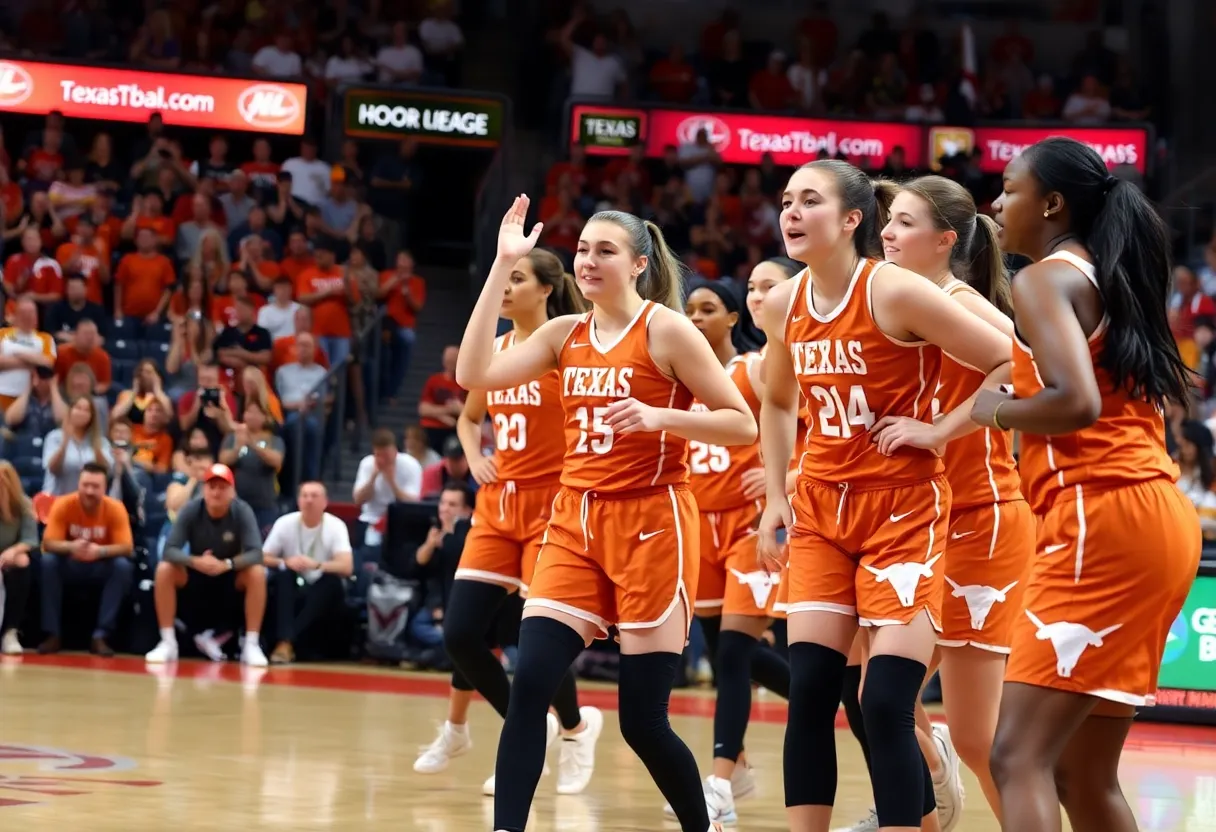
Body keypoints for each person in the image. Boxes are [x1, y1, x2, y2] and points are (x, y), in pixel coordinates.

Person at [457, 196, 757, 832]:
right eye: (582, 249)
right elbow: (473, 371)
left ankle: (703, 826)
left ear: (639, 264)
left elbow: (740, 422)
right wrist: (500, 266)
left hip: (652, 522)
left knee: (642, 722)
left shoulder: (667, 331)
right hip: (574, 523)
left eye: (605, 250)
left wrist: (662, 418)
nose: (587, 260)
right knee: (530, 684)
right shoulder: (563, 334)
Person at [755, 159, 1013, 832]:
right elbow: (778, 401)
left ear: (850, 219)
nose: (789, 211)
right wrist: (776, 497)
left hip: (902, 511)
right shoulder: (785, 303)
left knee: (887, 701)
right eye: (786, 200)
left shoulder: (894, 292)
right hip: (820, 512)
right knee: (811, 691)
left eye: (808, 200)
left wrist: (939, 430)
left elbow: (1009, 360)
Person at [975, 137, 1200, 832]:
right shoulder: (1107, 274)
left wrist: (999, 408)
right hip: (1152, 516)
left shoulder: (1044, 279)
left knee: (1015, 756)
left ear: (1051, 203)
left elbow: (1078, 401)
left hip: (1097, 520)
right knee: (1080, 771)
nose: (997, 203)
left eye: (1009, 190)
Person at [827, 175, 1035, 832]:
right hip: (917, 518)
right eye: (886, 222)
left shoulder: (959, 299)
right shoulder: (889, 303)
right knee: (873, 694)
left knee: (977, 735)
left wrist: (941, 430)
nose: (885, 233)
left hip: (981, 518)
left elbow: (1028, 369)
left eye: (904, 223)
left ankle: (949, 792)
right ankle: (927, 796)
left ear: (945, 239)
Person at [415, 247, 602, 796]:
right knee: (459, 635)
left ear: (546, 288)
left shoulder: (566, 351)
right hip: (497, 507)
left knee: (537, 643)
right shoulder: (493, 351)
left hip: (552, 508)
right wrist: (474, 458)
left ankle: (558, 730)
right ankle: (559, 727)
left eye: (516, 278)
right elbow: (470, 420)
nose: (505, 287)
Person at [677, 278, 792, 826]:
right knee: (725, 649)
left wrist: (785, 477)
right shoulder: (680, 378)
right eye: (690, 310)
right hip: (697, 526)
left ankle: (720, 781)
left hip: (749, 527)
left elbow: (806, 415)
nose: (696, 318)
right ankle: (833, 695)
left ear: (729, 319)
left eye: (708, 309)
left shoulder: (751, 369)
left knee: (732, 655)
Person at [145, 463, 270, 666]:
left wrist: (227, 564)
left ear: (232, 491)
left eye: (222, 487)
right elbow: (170, 549)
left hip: (229, 577)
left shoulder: (242, 510)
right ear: (204, 490)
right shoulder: (191, 509)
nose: (216, 492)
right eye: (212, 487)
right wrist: (195, 561)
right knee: (165, 569)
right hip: (197, 575)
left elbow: (256, 553)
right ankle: (167, 642)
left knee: (256, 572)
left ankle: (251, 645)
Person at [38, 462, 135, 656]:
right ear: (78, 484)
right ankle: (52, 635)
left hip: (100, 565)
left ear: (104, 488)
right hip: (70, 564)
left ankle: (100, 636)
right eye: (85, 485)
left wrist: (99, 551)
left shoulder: (115, 508)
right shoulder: (64, 504)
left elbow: (127, 547)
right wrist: (71, 546)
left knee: (122, 567)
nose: (89, 491)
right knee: (47, 562)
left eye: (95, 486)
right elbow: (48, 543)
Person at [264, 481, 353, 664]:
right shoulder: (285, 522)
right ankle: (286, 642)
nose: (309, 500)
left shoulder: (336, 526)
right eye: (304, 496)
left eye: (314, 496)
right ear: (298, 501)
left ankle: (285, 642)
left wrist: (318, 565)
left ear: (325, 502)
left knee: (331, 583)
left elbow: (346, 566)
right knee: (283, 576)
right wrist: (285, 561)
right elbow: (262, 557)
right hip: (293, 583)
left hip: (320, 586)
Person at [0, 460, 38, 655]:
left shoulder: (24, 504)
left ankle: (10, 631)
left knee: (23, 560)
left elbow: (30, 540)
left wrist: (12, 551)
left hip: (8, 555)